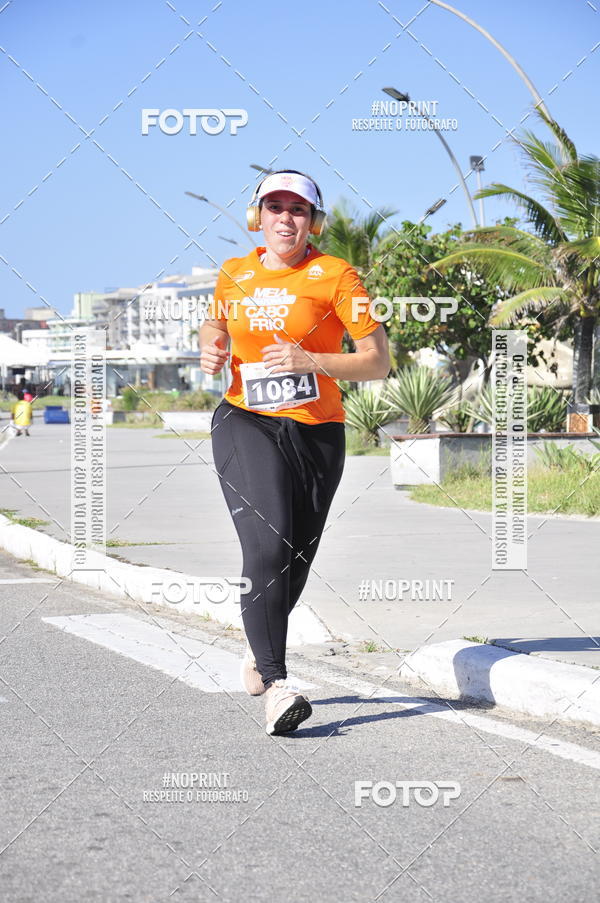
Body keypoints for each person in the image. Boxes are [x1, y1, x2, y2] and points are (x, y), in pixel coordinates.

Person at [200, 169, 389, 735]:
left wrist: (313, 361)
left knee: (295, 560)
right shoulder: (234, 273)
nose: (286, 218)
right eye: (275, 207)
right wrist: (212, 348)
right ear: (258, 217)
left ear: (313, 221)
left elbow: (377, 362)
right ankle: (280, 686)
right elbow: (215, 325)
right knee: (268, 539)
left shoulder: (335, 276)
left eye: (298, 210)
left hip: (317, 431)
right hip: (246, 420)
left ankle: (259, 654)